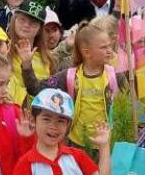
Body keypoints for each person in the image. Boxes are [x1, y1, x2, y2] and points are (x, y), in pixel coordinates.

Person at [27, 24, 126, 152]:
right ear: (86, 52)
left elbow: (132, 110)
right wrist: (26, 65)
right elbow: (36, 89)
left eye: (110, 46)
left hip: (108, 146)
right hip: (76, 145)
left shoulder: (117, 77)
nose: (109, 50)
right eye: (103, 47)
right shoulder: (68, 76)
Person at [8, 2, 56, 106]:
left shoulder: (48, 60)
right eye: (22, 19)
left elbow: (45, 93)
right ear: (14, 20)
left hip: (34, 115)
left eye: (33, 23)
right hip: (7, 113)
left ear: (40, 29)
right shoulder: (3, 49)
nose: (26, 25)